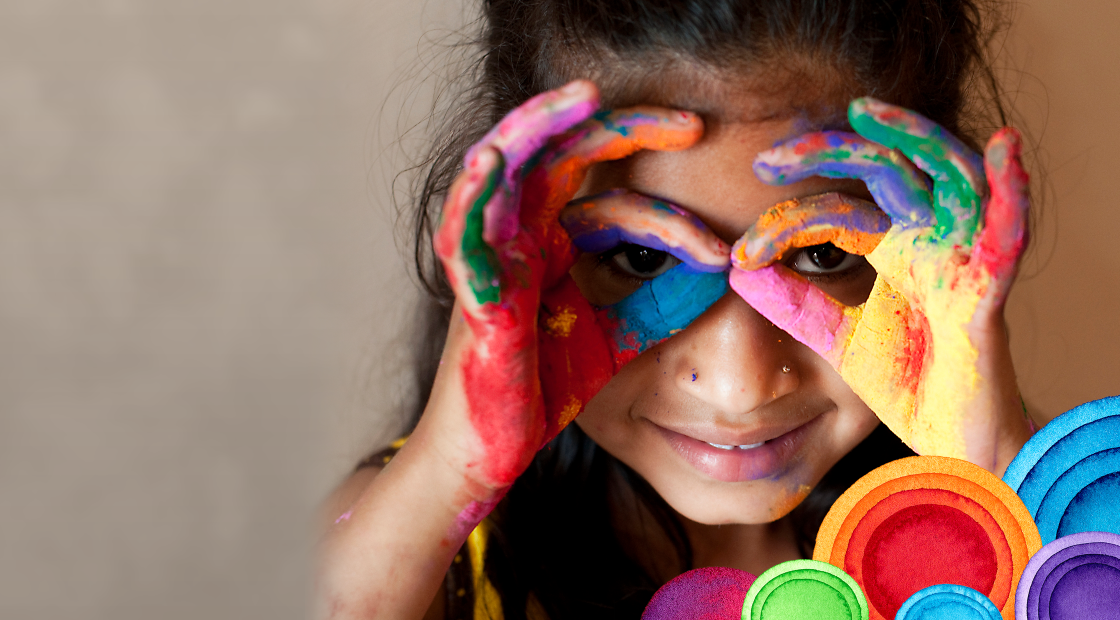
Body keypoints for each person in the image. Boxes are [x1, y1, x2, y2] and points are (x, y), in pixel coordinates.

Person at [317, 1, 1035, 618]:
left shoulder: (1030, 533)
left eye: (823, 255)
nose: (739, 386)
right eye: (641, 259)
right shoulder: (412, 549)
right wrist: (449, 468)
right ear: (517, 256)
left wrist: (1002, 473)